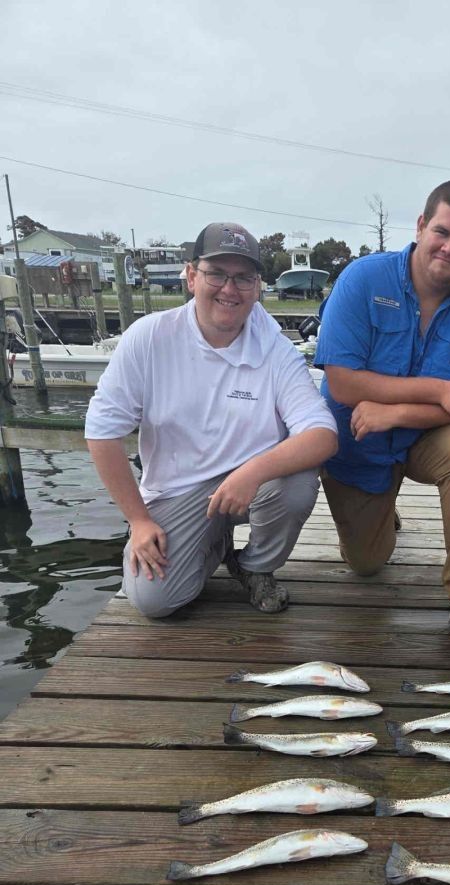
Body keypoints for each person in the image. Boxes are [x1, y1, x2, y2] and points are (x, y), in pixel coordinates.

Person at [85, 221, 337, 618]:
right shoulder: (148, 337)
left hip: (253, 486)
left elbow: (322, 435)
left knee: (298, 482)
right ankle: (215, 542)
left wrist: (252, 472)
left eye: (243, 278)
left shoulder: (276, 348)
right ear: (191, 276)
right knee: (155, 602)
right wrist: (137, 521)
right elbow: (101, 433)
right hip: (178, 490)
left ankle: (255, 567)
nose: (229, 289)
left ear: (257, 287)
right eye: (216, 274)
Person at [314, 180, 450, 642]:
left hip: (423, 439)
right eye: (442, 232)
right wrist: (441, 389)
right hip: (357, 444)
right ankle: (383, 515)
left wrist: (395, 412)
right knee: (366, 564)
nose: (449, 247)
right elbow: (341, 382)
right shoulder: (362, 279)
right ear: (420, 226)